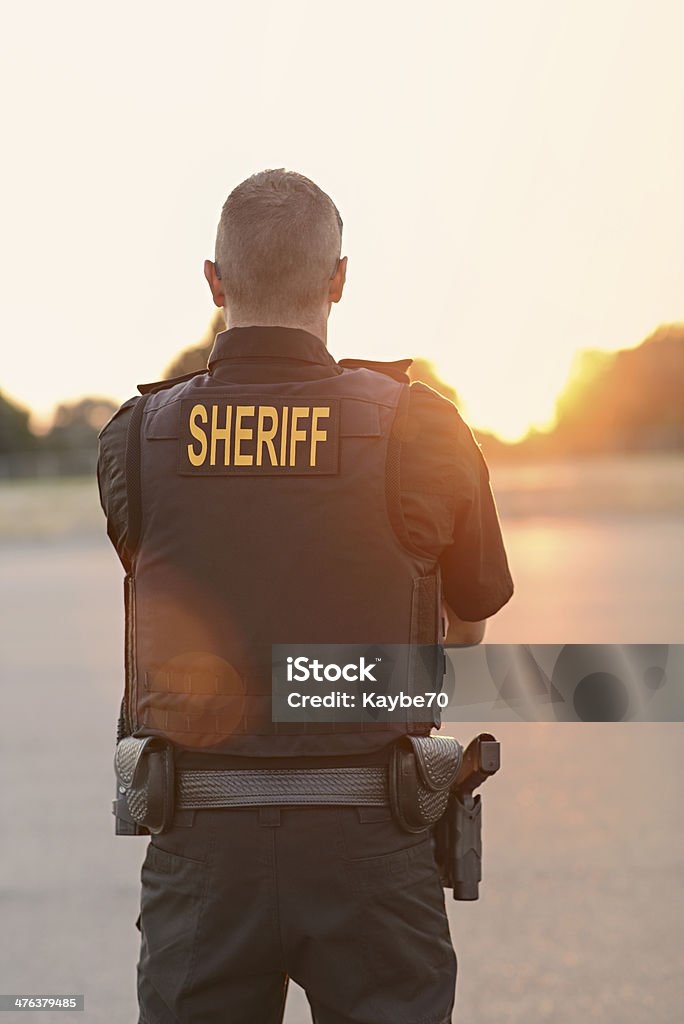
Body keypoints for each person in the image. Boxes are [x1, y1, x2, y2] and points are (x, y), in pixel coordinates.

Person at [97, 168, 514, 1024]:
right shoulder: (424, 427)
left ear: (214, 282)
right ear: (339, 280)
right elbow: (469, 626)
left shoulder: (137, 436)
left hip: (201, 844)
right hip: (373, 840)